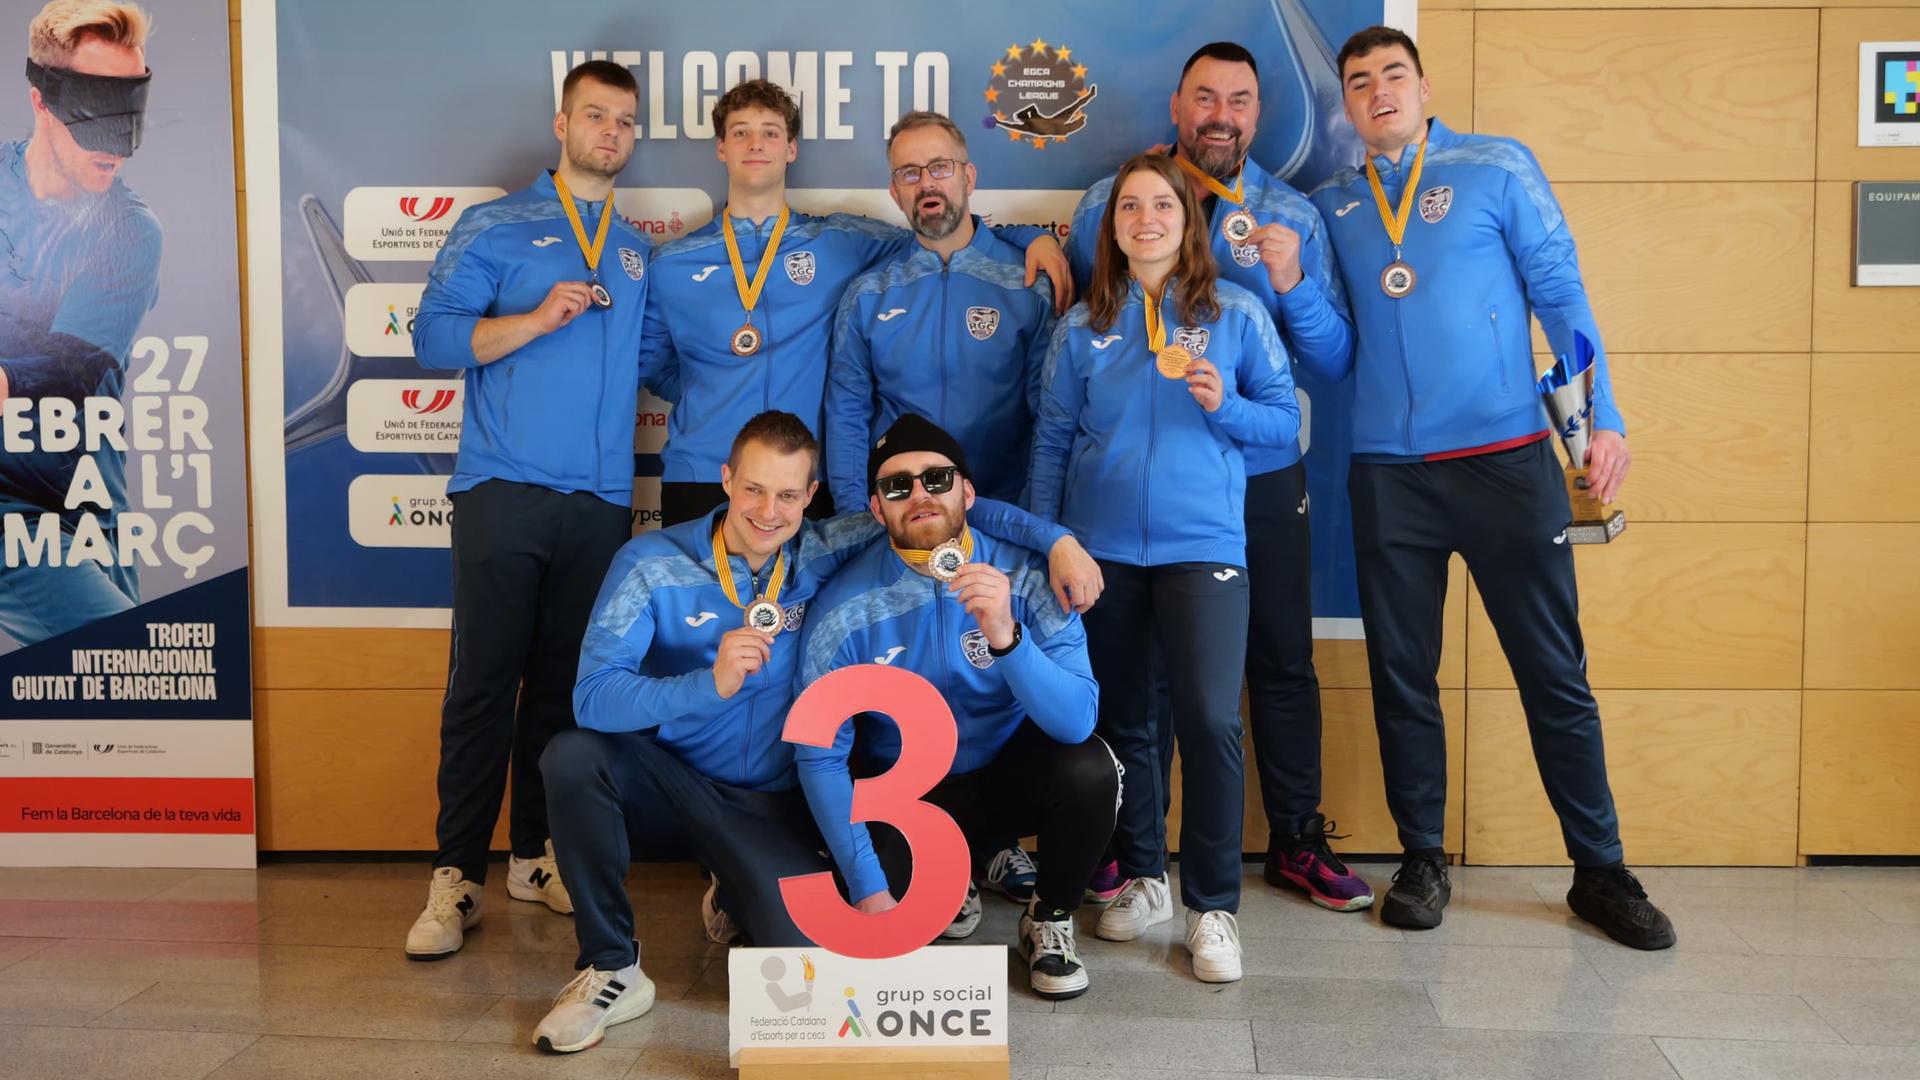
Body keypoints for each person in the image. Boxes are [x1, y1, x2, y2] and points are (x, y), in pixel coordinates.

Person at [535, 410, 1091, 1052]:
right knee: (573, 757)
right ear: (726, 480)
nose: (769, 511)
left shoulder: (823, 547)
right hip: (672, 781)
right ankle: (610, 966)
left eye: (790, 494)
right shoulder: (649, 561)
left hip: (773, 805)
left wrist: (1055, 541)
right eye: (754, 489)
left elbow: (940, 511)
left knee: (805, 961)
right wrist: (703, 685)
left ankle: (735, 884)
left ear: (812, 496)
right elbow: (592, 699)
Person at [1304, 26, 1672, 949]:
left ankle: (1600, 869)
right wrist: (1291, 283)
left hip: (1509, 464)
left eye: (1394, 74)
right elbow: (1338, 353)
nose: (1379, 91)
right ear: (1345, 105)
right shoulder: (1333, 207)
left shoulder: (1496, 168)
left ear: (1424, 86)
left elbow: (1563, 297)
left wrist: (1608, 417)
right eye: (1359, 82)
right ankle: (1423, 858)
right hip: (1389, 476)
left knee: (1554, 672)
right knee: (1402, 678)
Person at [1064, 41, 1369, 913]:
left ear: (1258, 115)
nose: (1221, 116)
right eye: (1205, 98)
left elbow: (1336, 358)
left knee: (1278, 660)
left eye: (1239, 101)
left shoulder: (1290, 214)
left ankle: (1296, 840)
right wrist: (1031, 250)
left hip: (1263, 473)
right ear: (1177, 106)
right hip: (1141, 492)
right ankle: (1135, 857)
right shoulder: (1113, 201)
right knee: (1140, 679)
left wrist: (1292, 283)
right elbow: (1084, 315)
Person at [1029, 153, 1301, 983]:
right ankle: (1145, 878)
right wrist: (1050, 543)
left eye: (1161, 206)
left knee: (1211, 722)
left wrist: (1231, 406)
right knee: (1126, 725)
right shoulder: (1081, 329)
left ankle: (1212, 906)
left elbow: (1284, 427)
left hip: (1204, 549)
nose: (1145, 219)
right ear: (1111, 227)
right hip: (1103, 553)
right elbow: (1050, 441)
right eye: (1128, 208)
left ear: (1189, 221)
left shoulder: (1239, 314)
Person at [403, 60, 651, 959]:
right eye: (596, 116)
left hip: (599, 502)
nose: (611, 134)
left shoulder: (634, 247)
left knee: (560, 690)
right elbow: (433, 339)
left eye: (626, 121)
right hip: (503, 489)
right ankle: (454, 877)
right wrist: (537, 321)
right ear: (562, 123)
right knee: (481, 687)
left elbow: (662, 355)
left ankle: (531, 857)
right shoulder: (496, 223)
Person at [640, 79, 1073, 528]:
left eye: (770, 132)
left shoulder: (842, 242)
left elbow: (935, 233)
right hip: (703, 474)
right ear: (720, 148)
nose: (755, 144)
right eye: (741, 132)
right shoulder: (672, 261)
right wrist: (710, 386)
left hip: (805, 480)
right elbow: (654, 366)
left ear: (791, 148)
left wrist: (1033, 238)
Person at [794, 415, 1118, 1000]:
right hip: (907, 797)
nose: (919, 495)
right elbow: (819, 758)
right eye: (897, 487)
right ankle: (951, 871)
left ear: (968, 492)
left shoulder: (1025, 573)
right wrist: (868, 886)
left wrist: (1006, 637)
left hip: (1005, 779)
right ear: (876, 509)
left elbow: (1077, 719)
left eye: (936, 478)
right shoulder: (844, 607)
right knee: (871, 900)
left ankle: (1048, 917)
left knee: (1091, 767)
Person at [0, 0, 159, 648]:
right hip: (9, 506)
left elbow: (63, 374)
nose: (115, 140)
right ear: (43, 99)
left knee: (136, 696)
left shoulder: (130, 232)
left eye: (131, 105)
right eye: (97, 106)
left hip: (85, 492)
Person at [823, 112, 1056, 513]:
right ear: (895, 191)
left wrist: (1036, 520)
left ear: (968, 178)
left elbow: (1050, 416)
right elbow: (847, 415)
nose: (927, 182)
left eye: (940, 167)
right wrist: (854, 520)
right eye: (909, 173)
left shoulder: (1027, 282)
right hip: (901, 514)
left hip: (1000, 510)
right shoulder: (868, 293)